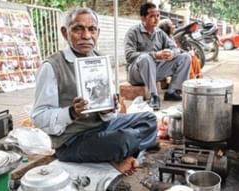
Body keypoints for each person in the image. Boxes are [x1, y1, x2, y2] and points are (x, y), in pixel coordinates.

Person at [31, 7, 157, 176]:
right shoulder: (52, 66)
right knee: (126, 139)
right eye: (77, 29)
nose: (86, 36)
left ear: (98, 32)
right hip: (73, 140)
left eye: (92, 29)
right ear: (64, 32)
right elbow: (39, 116)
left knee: (149, 119)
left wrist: (108, 109)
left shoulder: (99, 59)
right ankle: (126, 152)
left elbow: (109, 114)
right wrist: (71, 113)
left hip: (102, 127)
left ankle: (124, 153)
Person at [124, 2, 191, 110]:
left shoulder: (160, 33)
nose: (156, 19)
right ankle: (153, 96)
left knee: (186, 57)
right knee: (146, 58)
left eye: (158, 16)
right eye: (152, 16)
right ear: (143, 18)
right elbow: (129, 55)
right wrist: (155, 55)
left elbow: (175, 48)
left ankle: (172, 91)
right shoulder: (133, 32)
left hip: (154, 71)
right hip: (136, 74)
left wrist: (171, 53)